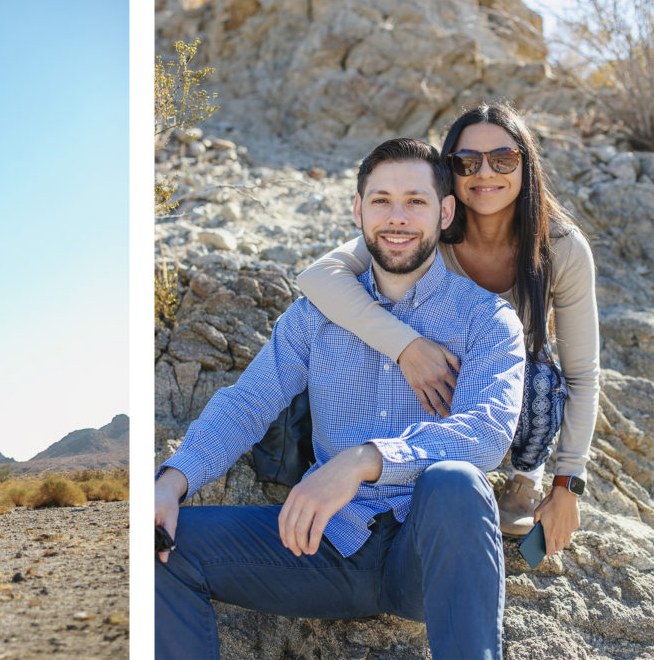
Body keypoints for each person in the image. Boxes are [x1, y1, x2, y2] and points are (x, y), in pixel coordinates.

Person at [155, 138, 526, 660]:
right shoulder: (314, 316)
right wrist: (171, 482)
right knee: (158, 544)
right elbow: (248, 404)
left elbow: (486, 433)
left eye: (415, 202)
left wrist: (364, 460)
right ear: (358, 210)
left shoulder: (487, 319)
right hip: (321, 546)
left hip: (422, 553)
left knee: (458, 481)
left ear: (445, 213)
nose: (397, 217)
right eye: (381, 200)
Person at [297, 103, 599, 549]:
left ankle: (522, 477)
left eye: (503, 159)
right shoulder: (424, 225)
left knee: (540, 376)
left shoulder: (560, 248)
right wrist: (406, 346)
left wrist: (566, 485)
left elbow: (582, 375)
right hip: (426, 384)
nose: (485, 173)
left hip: (497, 395)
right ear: (449, 172)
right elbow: (318, 278)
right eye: (467, 162)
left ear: (525, 164)